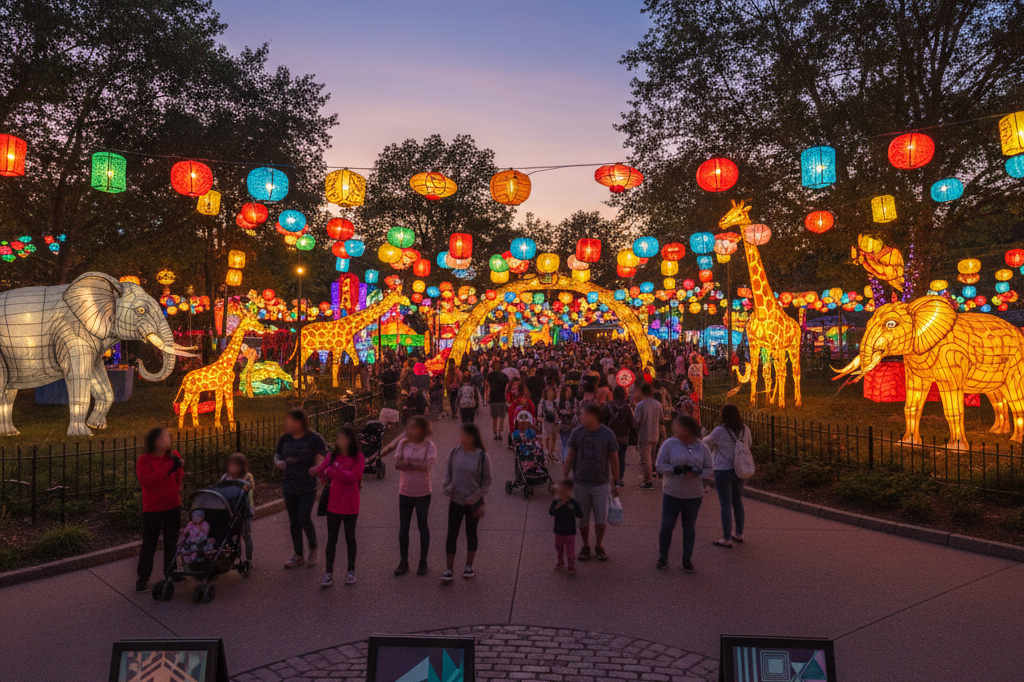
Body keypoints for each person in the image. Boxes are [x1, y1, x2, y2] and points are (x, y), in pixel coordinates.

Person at [655, 415, 714, 572]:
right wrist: (674, 469)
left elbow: (709, 468)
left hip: (693, 495)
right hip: (672, 493)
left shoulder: (702, 448)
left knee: (689, 528)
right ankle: (663, 556)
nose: (676, 429)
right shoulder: (669, 444)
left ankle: (687, 559)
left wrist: (698, 473)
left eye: (679, 426)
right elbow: (660, 465)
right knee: (667, 526)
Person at [563, 404, 620, 561]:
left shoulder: (607, 434)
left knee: (601, 519)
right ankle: (586, 545)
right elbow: (570, 457)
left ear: (594, 416)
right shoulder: (577, 433)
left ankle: (599, 545)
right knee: (583, 518)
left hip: (601, 483)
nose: (581, 417)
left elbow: (614, 459)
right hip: (580, 482)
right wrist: (564, 478)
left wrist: (616, 482)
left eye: (583, 414)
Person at [274, 409, 327, 568]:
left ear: (299, 422)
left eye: (289, 421)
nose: (286, 424)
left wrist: (318, 468)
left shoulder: (314, 438)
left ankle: (313, 548)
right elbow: (277, 455)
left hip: (307, 486)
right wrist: (278, 462)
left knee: (304, 517)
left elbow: (328, 455)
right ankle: (298, 554)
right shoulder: (285, 439)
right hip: (289, 484)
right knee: (293, 521)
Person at [313, 426, 364, 587]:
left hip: (350, 504)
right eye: (338, 438)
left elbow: (354, 477)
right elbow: (321, 470)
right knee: (332, 539)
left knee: (350, 538)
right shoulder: (332, 455)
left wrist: (333, 472)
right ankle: (329, 573)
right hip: (334, 503)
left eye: (343, 438)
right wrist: (324, 473)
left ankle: (351, 570)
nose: (339, 441)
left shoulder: (358, 456)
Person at [442, 423, 492, 581]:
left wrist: (478, 498)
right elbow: (448, 475)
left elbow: (487, 481)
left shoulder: (482, 456)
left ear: (472, 437)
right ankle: (449, 569)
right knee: (452, 534)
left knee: (471, 533)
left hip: (473, 502)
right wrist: (447, 487)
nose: (460, 437)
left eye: (464, 434)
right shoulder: (455, 452)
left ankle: (468, 566)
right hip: (456, 500)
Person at [135, 427, 184, 592]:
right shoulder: (144, 460)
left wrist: (175, 487)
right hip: (153, 509)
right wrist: (169, 467)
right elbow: (148, 481)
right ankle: (143, 578)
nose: (168, 441)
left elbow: (179, 475)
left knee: (172, 541)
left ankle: (171, 571)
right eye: (165, 438)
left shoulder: (173, 456)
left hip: (172, 505)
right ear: (156, 442)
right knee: (150, 543)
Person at [703, 403, 752, 548]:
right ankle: (739, 533)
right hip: (740, 470)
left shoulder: (720, 430)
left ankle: (726, 538)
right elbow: (749, 444)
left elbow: (706, 443)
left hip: (723, 470)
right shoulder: (745, 429)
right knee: (737, 501)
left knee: (725, 503)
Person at [393, 416, 436, 576]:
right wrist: (415, 465)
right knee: (403, 527)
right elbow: (397, 464)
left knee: (422, 526)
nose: (412, 430)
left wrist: (409, 464)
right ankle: (403, 561)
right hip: (405, 491)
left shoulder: (429, 446)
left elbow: (428, 465)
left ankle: (423, 562)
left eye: (416, 427)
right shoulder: (403, 444)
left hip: (423, 492)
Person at [221, 453, 255, 568]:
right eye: (230, 466)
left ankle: (249, 558)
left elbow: (248, 490)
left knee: (245, 534)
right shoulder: (225, 477)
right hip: (230, 509)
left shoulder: (247, 477)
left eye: (235, 466)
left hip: (244, 510)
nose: (232, 469)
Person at [601, 386, 634, 487]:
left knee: (606, 457)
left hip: (609, 436)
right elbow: (631, 422)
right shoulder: (627, 406)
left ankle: (606, 476)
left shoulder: (607, 405)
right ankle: (619, 478)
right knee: (621, 458)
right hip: (623, 437)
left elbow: (602, 420)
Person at [633, 384, 664, 490]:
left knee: (645, 459)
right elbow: (661, 419)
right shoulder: (658, 404)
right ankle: (651, 475)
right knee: (651, 457)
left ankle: (648, 481)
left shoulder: (640, 405)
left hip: (644, 434)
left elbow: (637, 421)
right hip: (655, 433)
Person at [549, 478, 583, 574]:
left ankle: (571, 565)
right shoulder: (556, 502)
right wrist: (556, 508)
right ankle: (560, 561)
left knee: (570, 550)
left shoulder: (573, 503)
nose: (564, 492)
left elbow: (580, 514)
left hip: (570, 531)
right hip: (559, 530)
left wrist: (574, 509)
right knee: (558, 547)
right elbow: (551, 512)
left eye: (566, 490)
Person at [485, 360, 510, 441]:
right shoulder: (504, 377)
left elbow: (487, 386)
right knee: (502, 417)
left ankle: (495, 433)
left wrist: (486, 396)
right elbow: (507, 388)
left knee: (494, 417)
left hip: (493, 398)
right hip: (502, 398)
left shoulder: (490, 376)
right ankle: (499, 433)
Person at [538, 386, 560, 462]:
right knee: (546, 435)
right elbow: (540, 410)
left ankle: (552, 450)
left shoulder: (555, 402)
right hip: (546, 420)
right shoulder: (543, 402)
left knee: (553, 436)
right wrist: (539, 417)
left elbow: (557, 411)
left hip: (554, 421)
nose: (550, 394)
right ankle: (546, 450)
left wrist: (558, 420)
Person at [556, 385, 577, 462]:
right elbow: (557, 413)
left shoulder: (574, 400)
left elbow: (575, 411)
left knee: (570, 443)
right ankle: (565, 461)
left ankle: (569, 460)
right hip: (563, 425)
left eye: (570, 391)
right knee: (565, 443)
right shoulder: (559, 401)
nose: (569, 393)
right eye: (567, 391)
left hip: (571, 425)